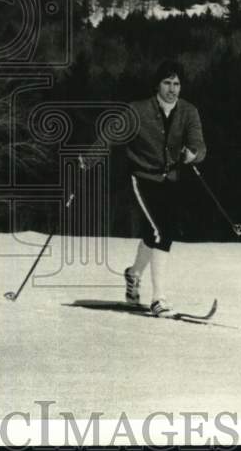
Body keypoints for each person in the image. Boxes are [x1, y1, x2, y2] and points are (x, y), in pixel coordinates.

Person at [82, 58, 206, 315]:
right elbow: (110, 135)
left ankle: (133, 273)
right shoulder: (137, 111)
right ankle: (158, 298)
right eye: (167, 83)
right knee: (163, 231)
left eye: (177, 84)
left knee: (155, 234)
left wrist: (192, 155)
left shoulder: (188, 111)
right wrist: (90, 158)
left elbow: (199, 145)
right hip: (141, 178)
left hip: (169, 180)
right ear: (157, 85)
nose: (172, 89)